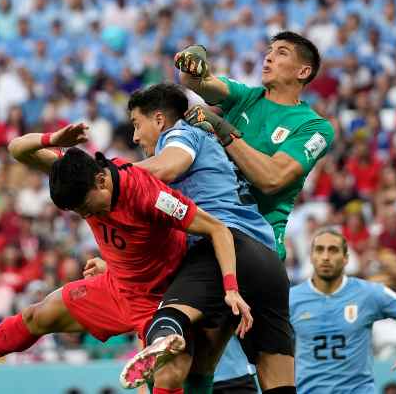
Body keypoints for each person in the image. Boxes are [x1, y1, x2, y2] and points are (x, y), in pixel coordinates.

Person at [0, 124, 251, 391]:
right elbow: (18, 149)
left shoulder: (149, 194)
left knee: (170, 375)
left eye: (86, 207)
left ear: (102, 181)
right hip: (117, 287)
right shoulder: (79, 177)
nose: (85, 214)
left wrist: (230, 287)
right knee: (37, 316)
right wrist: (51, 138)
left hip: (162, 298)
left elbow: (218, 230)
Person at [174, 31, 334, 390]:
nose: (268, 58)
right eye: (268, 51)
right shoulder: (246, 96)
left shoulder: (314, 127)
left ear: (303, 71)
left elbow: (273, 179)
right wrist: (191, 59)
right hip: (218, 241)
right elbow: (197, 81)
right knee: (200, 355)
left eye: (281, 53)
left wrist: (224, 131)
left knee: (268, 368)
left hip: (261, 248)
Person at [115, 83, 288, 393]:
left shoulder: (180, 134)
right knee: (226, 368)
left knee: (168, 320)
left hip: (221, 247)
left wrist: (112, 176)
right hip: (266, 260)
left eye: (137, 124)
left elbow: (169, 167)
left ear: (159, 120)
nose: (135, 137)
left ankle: (163, 337)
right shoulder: (210, 143)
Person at [291, 230, 396, 394]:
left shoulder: (369, 293)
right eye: (319, 250)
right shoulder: (291, 299)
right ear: (311, 257)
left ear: (346, 259)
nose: (326, 256)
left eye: (333, 250)